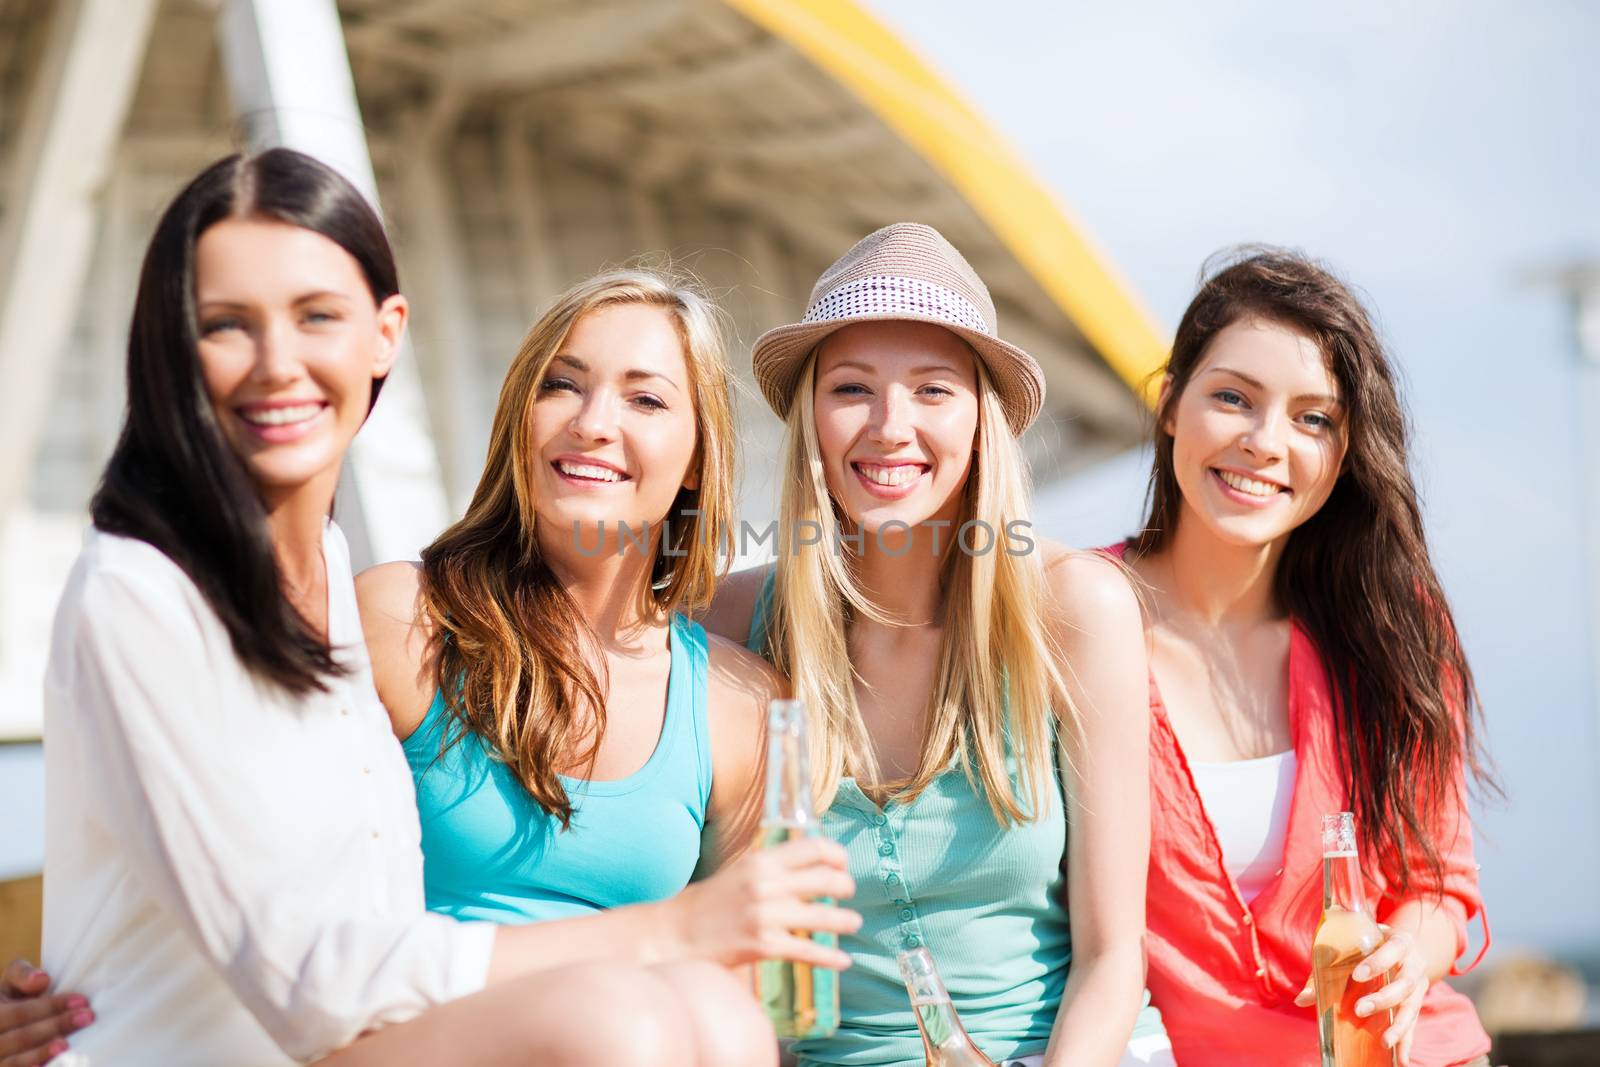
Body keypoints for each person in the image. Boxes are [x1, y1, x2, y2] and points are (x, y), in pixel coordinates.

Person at [29, 148, 778, 1067]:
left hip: (387, 1030)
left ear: (384, 336)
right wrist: (661, 933)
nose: (278, 364)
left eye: (316, 317)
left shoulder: (324, 582)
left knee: (718, 1019)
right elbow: (314, 976)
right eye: (227, 324)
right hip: (276, 1041)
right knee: (619, 1023)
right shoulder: (165, 599)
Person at [703, 223, 1173, 1067]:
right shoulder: (732, 623)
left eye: (932, 390)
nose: (890, 426)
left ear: (981, 420)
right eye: (852, 389)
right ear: (811, 416)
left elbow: (1112, 956)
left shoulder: (1076, 607)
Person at [354, 268, 859, 948]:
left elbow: (750, 981)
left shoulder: (742, 706)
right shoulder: (404, 619)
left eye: (645, 400)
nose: (592, 424)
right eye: (561, 385)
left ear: (697, 457)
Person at [1111, 248, 1494, 1067]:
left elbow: (1439, 887)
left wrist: (1407, 957)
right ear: (1171, 402)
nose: (1265, 442)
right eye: (1232, 398)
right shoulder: (1078, 611)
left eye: (1312, 418)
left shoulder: (1394, 627)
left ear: (1345, 451)